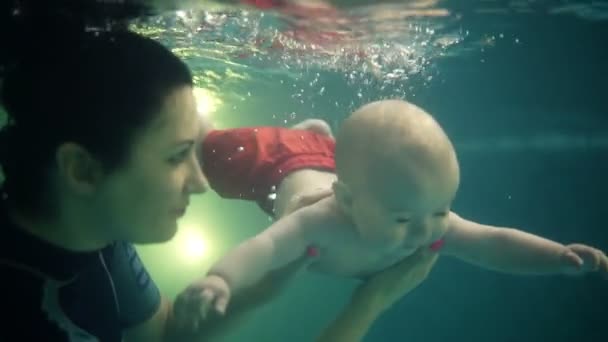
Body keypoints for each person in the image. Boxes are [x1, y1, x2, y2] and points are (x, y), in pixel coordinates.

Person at [0, 23, 437, 341]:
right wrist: (368, 305)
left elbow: (163, 336)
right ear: (81, 169)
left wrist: (264, 288)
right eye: (177, 156)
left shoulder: (97, 242)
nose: (200, 183)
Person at [182, 99, 608, 322]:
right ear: (346, 202)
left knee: (342, 155)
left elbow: (491, 242)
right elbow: (266, 248)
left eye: (443, 210)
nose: (427, 231)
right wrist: (221, 279)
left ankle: (317, 137)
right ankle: (302, 136)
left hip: (336, 163)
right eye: (403, 220)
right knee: (210, 151)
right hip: (278, 164)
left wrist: (555, 257)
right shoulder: (318, 222)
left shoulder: (412, 207)